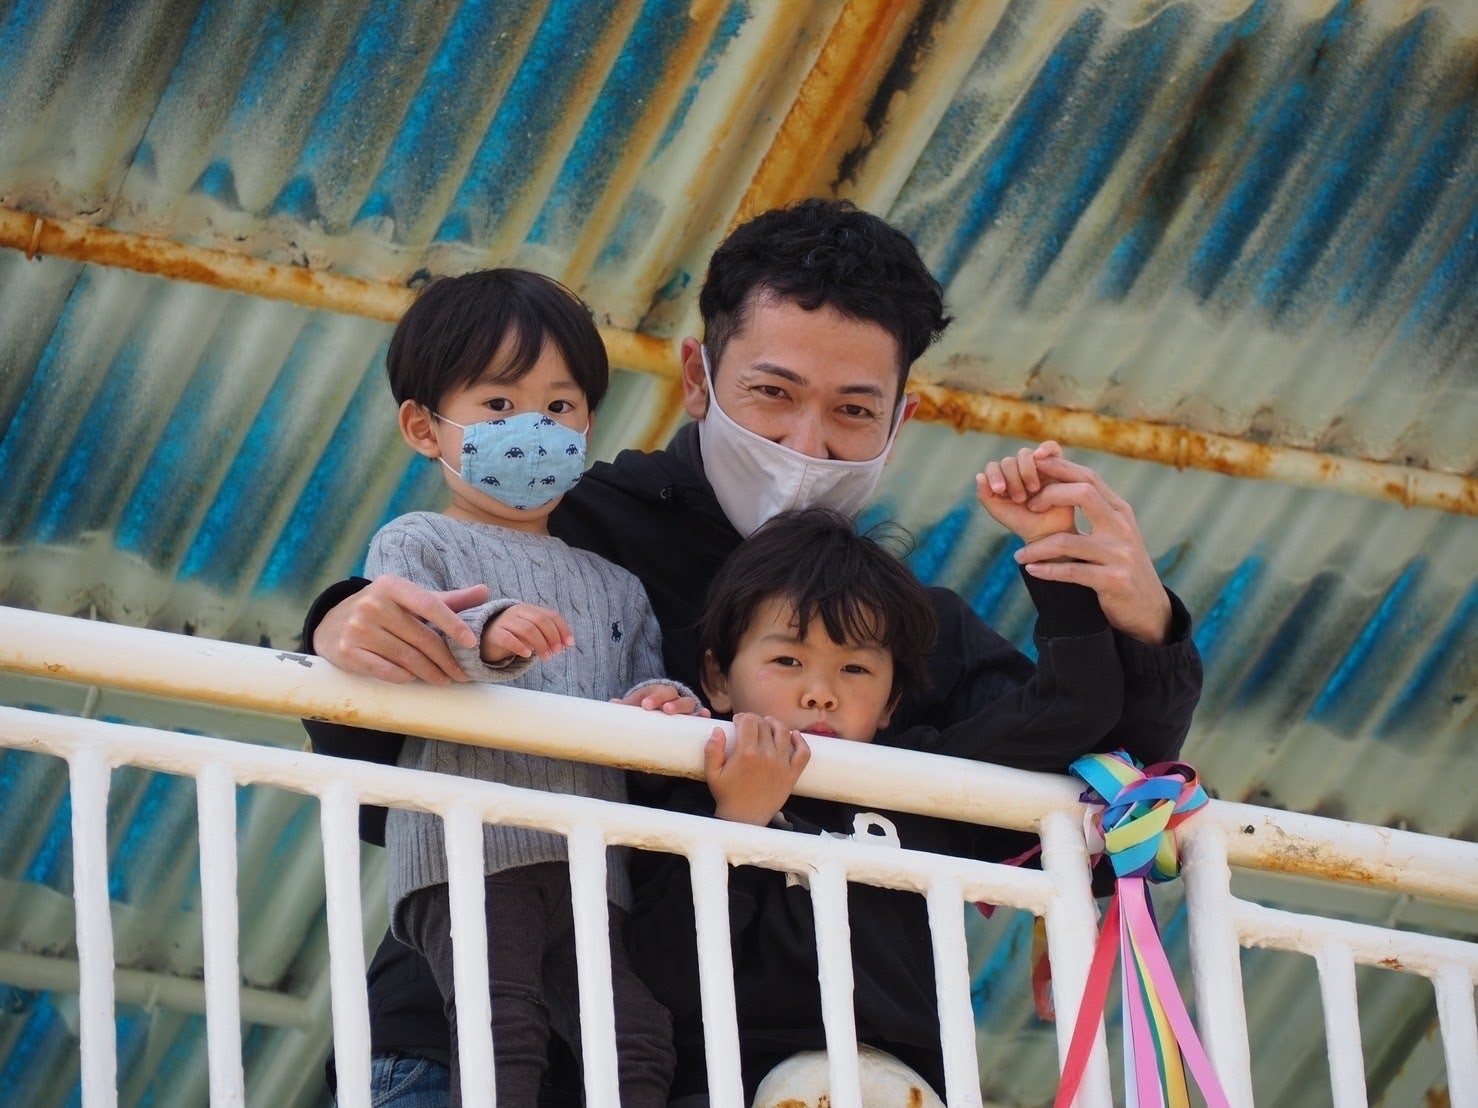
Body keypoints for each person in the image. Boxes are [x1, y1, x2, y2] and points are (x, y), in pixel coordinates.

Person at [301, 199, 1203, 1104]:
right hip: (461, 1040)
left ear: (900, 421)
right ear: (697, 378)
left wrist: (1142, 622)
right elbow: (387, 743)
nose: (805, 444)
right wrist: (339, 623)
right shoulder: (565, 525)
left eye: (853, 410)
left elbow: (1097, 789)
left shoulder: (900, 623)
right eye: (773, 393)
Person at [629, 505, 1130, 1104]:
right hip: (727, 1084)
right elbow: (662, 976)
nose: (821, 693)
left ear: (893, 701)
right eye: (787, 661)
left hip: (910, 1086)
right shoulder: (696, 779)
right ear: (716, 677)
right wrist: (738, 825)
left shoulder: (924, 780)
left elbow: (1077, 707)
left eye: (855, 667)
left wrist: (1052, 553)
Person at [351, 267, 703, 1107]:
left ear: (586, 426)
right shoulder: (415, 543)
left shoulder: (616, 584)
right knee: (502, 1025)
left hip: (588, 861)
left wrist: (668, 706)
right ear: (424, 428)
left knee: (635, 1038)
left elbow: (644, 682)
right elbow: (417, 643)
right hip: (468, 848)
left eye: (559, 405)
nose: (534, 428)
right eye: (499, 405)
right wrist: (489, 632)